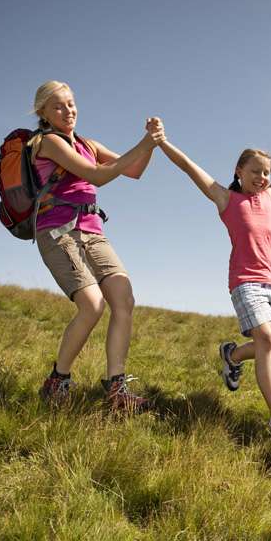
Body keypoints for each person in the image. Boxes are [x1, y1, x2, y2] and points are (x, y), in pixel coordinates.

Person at [152, 115, 271, 446]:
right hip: (246, 280)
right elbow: (189, 167)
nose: (262, 176)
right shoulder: (227, 200)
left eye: (265, 172)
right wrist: (162, 141)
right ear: (239, 170)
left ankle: (233, 356)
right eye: (255, 171)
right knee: (267, 341)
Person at [31, 80, 164, 412]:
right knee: (92, 304)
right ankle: (57, 382)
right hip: (58, 232)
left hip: (93, 230)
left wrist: (151, 143)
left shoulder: (87, 143)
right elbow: (97, 175)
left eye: (71, 103)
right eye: (58, 106)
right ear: (43, 113)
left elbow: (134, 170)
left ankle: (116, 390)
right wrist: (144, 142)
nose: (68, 111)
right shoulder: (46, 142)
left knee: (123, 297)